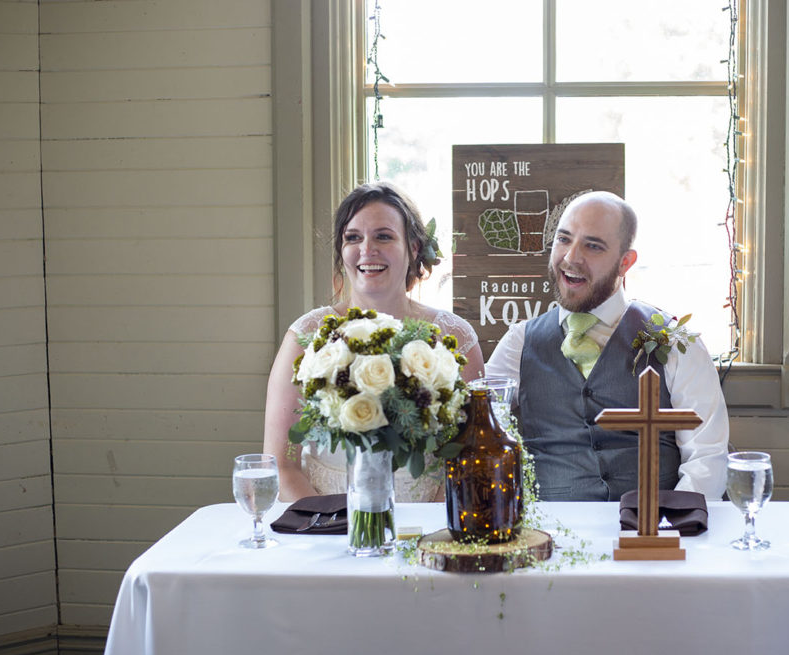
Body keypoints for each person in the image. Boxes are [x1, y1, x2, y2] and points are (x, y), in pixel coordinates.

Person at [485, 191, 729, 501]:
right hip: (550, 535)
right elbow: (478, 432)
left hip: (652, 534)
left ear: (625, 262)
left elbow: (707, 457)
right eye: (563, 239)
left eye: (593, 246)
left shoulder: (678, 341)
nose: (571, 257)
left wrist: (670, 529)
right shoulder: (518, 343)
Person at [265, 182, 485, 502]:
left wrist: (429, 528)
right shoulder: (307, 338)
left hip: (430, 522)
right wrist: (329, 525)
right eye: (353, 237)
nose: (367, 249)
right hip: (324, 521)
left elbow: (470, 457)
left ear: (413, 248)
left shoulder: (454, 337)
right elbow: (281, 464)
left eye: (383, 236)